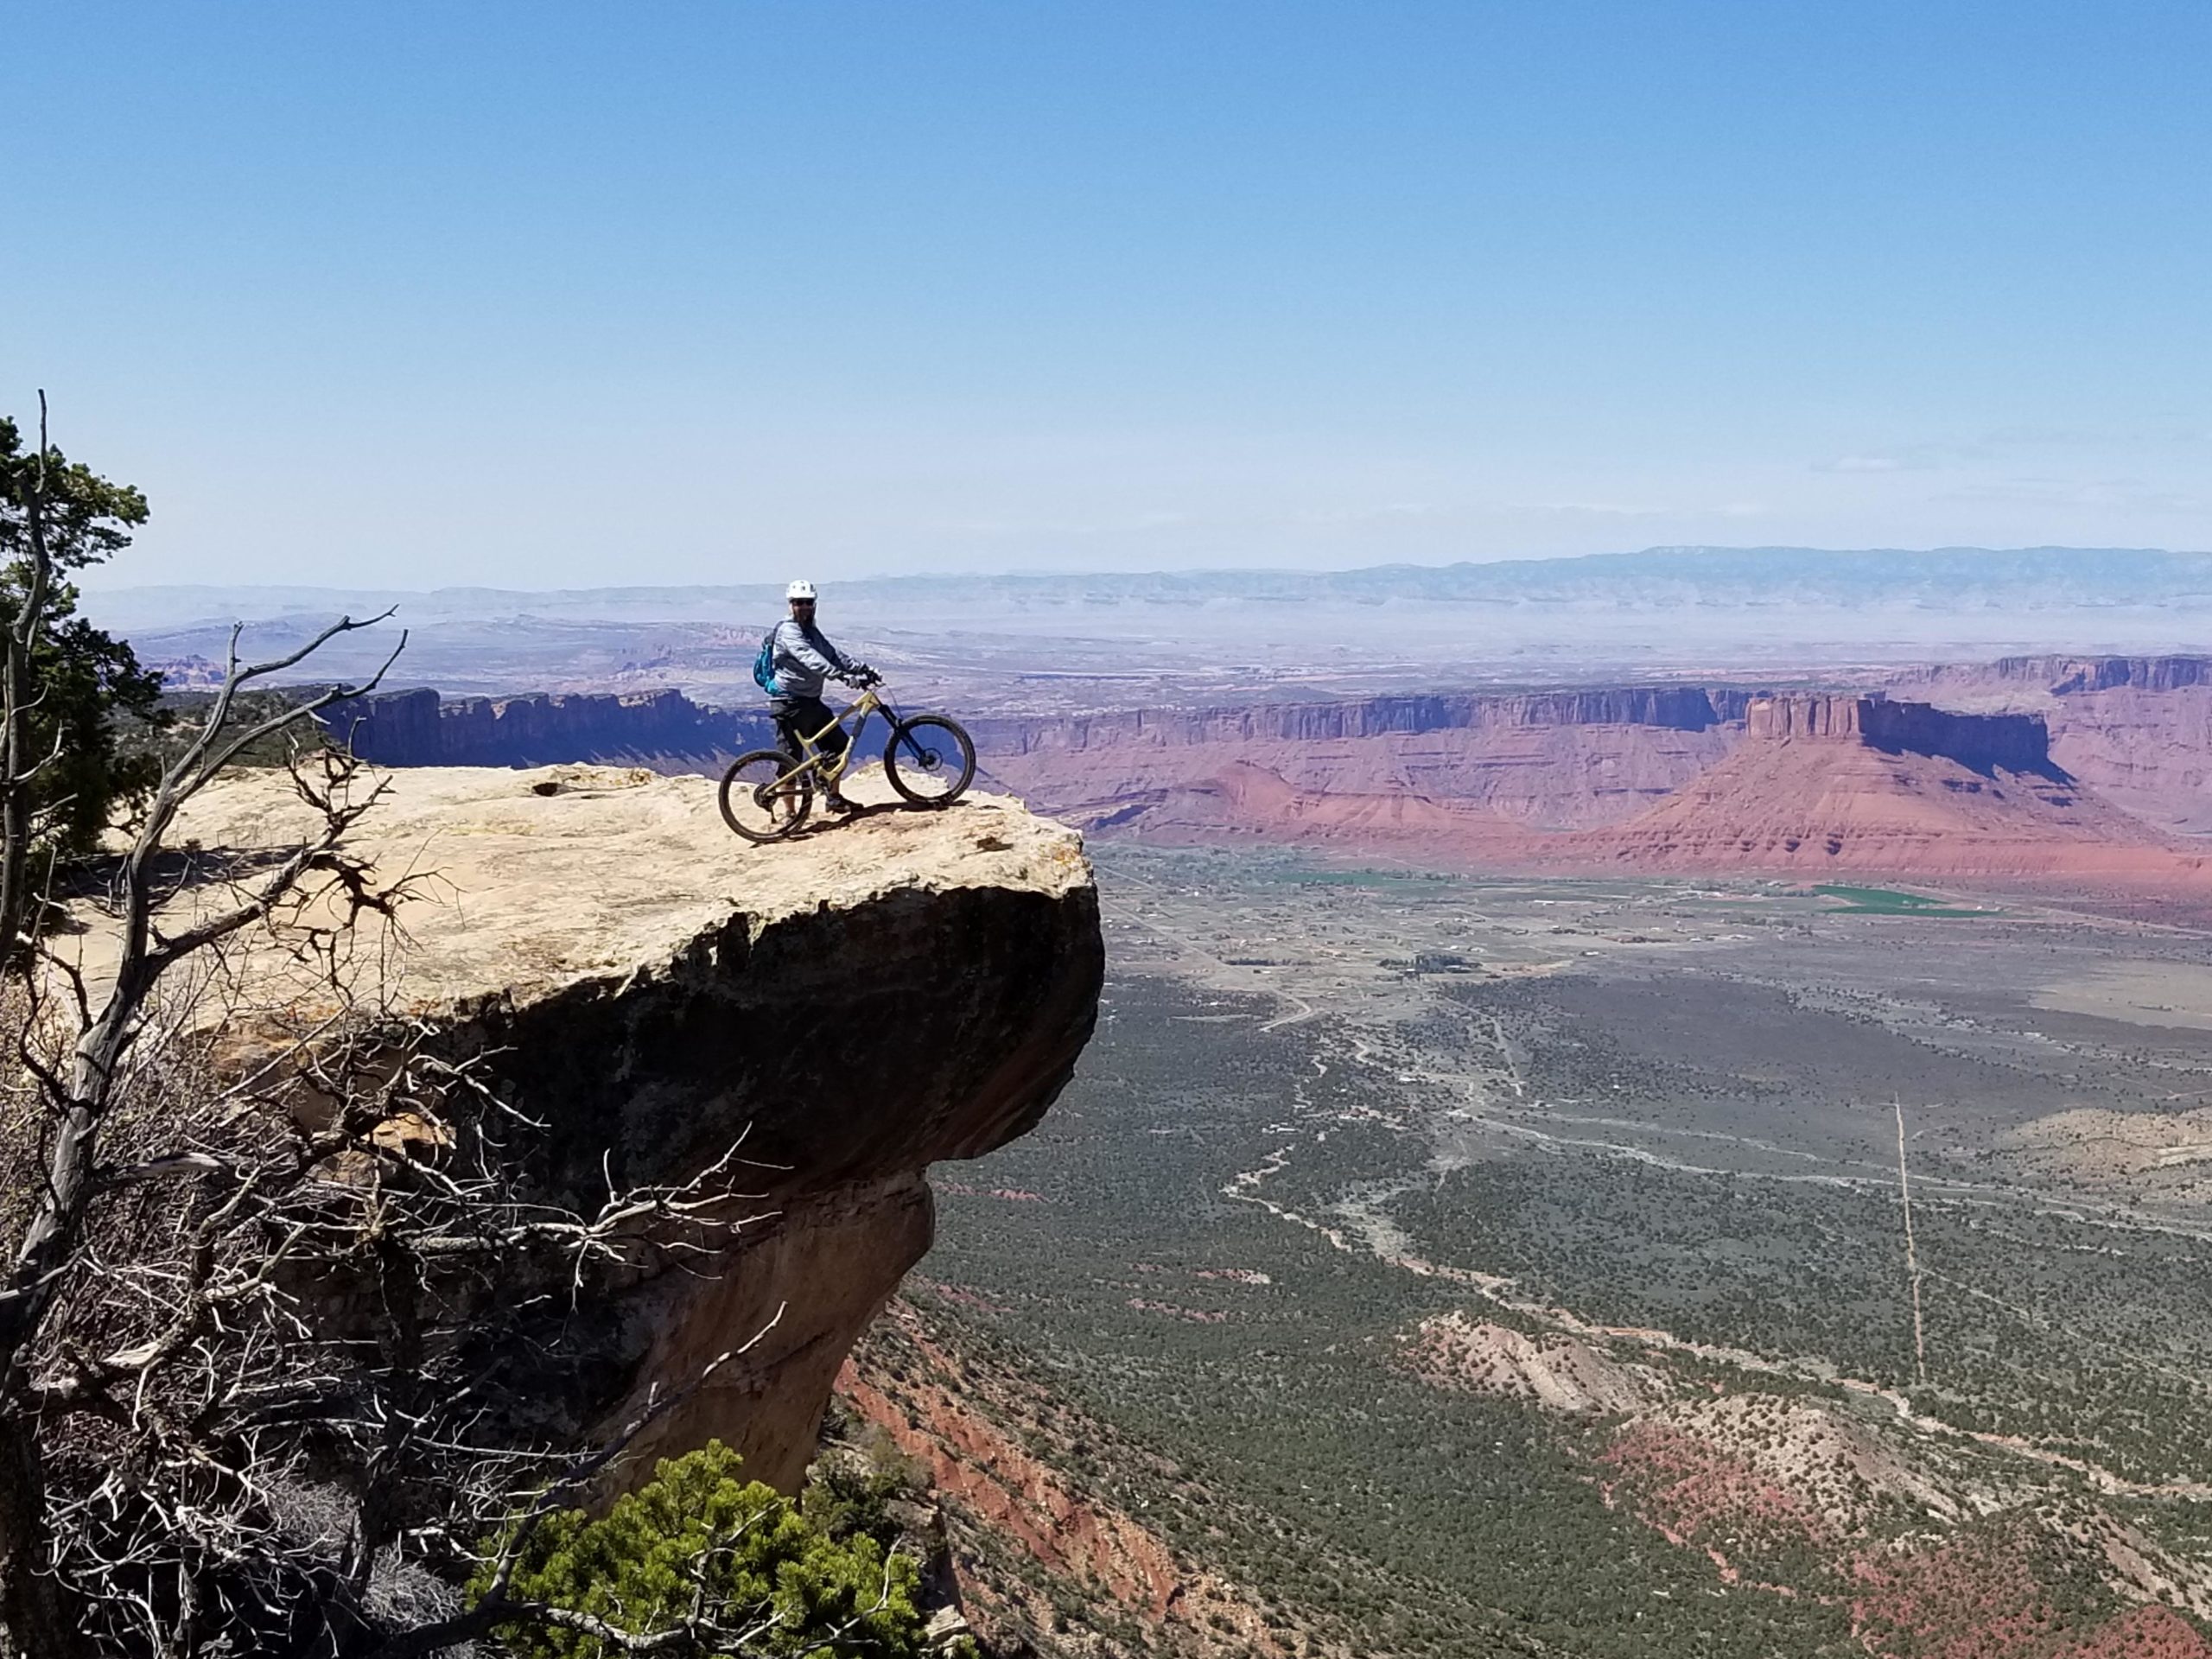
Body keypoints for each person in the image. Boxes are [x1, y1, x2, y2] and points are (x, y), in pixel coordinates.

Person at [765, 579, 877, 812]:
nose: (804, 607)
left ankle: (834, 798)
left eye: (808, 602)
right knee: (790, 761)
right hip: (789, 704)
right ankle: (790, 814)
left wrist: (862, 668)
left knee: (839, 747)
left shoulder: (811, 631)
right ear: (790, 604)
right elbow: (810, 658)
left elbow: (833, 655)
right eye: (798, 603)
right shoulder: (789, 631)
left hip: (811, 702)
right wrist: (841, 676)